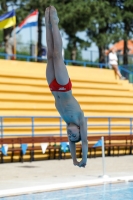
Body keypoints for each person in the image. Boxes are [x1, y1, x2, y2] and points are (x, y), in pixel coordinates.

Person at [45, 6, 88, 168]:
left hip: (53, 87)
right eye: (73, 134)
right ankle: (55, 23)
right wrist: (82, 160)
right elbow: (83, 142)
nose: (70, 133)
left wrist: (73, 161)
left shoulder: (67, 122)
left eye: (69, 135)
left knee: (49, 54)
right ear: (78, 129)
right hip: (63, 86)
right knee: (57, 55)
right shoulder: (80, 120)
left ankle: (47, 25)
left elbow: (71, 142)